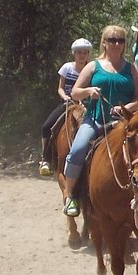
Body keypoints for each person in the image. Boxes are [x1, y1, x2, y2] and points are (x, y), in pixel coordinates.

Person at [61, 25, 138, 217]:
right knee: (77, 150)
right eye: (112, 40)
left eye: (120, 40)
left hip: (124, 122)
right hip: (96, 119)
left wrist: (127, 108)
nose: (116, 44)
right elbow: (75, 91)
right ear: (104, 43)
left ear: (125, 44)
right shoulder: (93, 66)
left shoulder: (130, 68)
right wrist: (88, 92)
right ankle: (72, 196)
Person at [38, 38, 93, 177]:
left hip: (86, 104)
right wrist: (65, 97)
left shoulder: (91, 69)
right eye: (79, 52)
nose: (82, 55)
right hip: (67, 103)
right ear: (74, 54)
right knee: (47, 126)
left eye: (85, 53)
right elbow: (60, 88)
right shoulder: (67, 68)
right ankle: (45, 159)